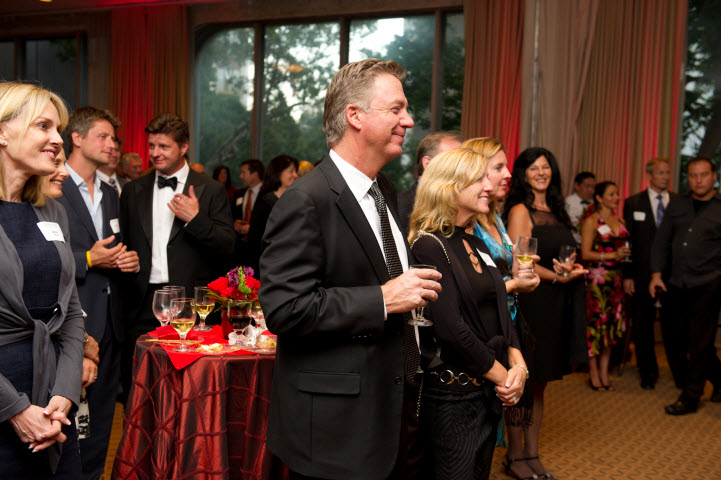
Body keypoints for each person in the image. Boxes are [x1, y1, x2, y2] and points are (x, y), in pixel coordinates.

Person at [259, 58, 442, 480]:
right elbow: (285, 309)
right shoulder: (306, 200)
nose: (409, 121)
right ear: (355, 116)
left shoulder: (383, 190)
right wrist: (383, 299)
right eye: (396, 109)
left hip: (391, 410)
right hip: (336, 430)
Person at [408, 147, 529, 479]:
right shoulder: (429, 246)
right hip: (452, 398)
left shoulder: (476, 244)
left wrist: (519, 366)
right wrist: (504, 377)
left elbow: (501, 310)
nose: (489, 186)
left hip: (485, 392)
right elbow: (449, 327)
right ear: (449, 187)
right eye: (479, 180)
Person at [0, 81, 85, 478]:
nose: (57, 139)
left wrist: (65, 393)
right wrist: (15, 409)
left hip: (54, 404)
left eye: (58, 129)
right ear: (2, 132)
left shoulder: (52, 212)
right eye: (43, 126)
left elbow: (70, 312)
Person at [119, 113, 235, 399]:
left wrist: (196, 220)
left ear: (183, 147)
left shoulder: (211, 190)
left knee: (189, 391)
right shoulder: (133, 190)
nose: (155, 153)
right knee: (141, 389)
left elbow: (229, 247)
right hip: (143, 303)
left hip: (191, 306)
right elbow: (126, 241)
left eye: (164, 146)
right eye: (152, 146)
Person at [56, 106, 139, 480]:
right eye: (103, 137)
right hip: (69, 324)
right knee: (66, 422)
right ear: (76, 138)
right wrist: (89, 258)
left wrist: (127, 260)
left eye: (113, 138)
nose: (112, 145)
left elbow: (114, 248)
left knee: (101, 422)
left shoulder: (110, 192)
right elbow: (43, 258)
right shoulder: (51, 186)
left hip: (110, 324)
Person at [503, 147, 587, 480]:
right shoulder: (520, 210)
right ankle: (514, 455)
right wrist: (558, 276)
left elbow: (557, 255)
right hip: (530, 303)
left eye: (546, 167)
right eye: (534, 168)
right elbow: (520, 263)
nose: (541, 172)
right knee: (522, 382)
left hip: (555, 304)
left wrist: (567, 269)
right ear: (523, 174)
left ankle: (532, 453)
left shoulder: (557, 209)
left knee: (540, 385)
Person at [462, 137, 541, 477]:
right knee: (475, 429)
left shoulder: (494, 216)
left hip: (507, 323)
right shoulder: (467, 221)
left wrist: (521, 274)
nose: (508, 174)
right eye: (498, 167)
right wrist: (513, 284)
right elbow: (466, 290)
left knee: (499, 411)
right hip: (483, 329)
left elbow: (500, 271)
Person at [651, 157, 721, 415]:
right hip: (677, 282)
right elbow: (661, 241)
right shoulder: (677, 203)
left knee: (700, 341)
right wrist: (656, 274)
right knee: (682, 339)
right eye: (693, 175)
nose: (698, 180)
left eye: (703, 175)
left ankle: (691, 397)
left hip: (708, 283)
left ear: (714, 176)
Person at [622, 158, 677, 390]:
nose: (665, 176)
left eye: (668, 172)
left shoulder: (678, 202)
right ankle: (647, 373)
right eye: (661, 172)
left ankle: (679, 372)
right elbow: (627, 241)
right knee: (643, 326)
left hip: (673, 275)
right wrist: (627, 275)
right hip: (641, 274)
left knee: (673, 326)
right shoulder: (634, 202)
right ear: (650, 175)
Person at [580, 181, 630, 391]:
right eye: (611, 194)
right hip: (597, 281)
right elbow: (585, 253)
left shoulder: (620, 220)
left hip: (616, 281)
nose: (616, 197)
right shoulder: (591, 221)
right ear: (599, 198)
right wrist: (611, 255)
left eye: (617, 194)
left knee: (609, 327)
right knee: (595, 327)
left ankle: (604, 372)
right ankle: (593, 373)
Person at [397, 131, 463, 234]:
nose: (462, 169)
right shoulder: (401, 207)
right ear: (428, 164)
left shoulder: (459, 204)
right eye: (453, 161)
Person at [246, 154, 298, 274]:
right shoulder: (266, 201)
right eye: (291, 171)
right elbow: (256, 239)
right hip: (270, 267)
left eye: (296, 171)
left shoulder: (294, 198)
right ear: (278, 173)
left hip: (291, 265)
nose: (295, 175)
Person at [565, 171, 596, 246]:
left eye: (593, 187)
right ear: (576, 185)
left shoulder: (595, 204)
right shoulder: (568, 203)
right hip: (572, 244)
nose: (590, 190)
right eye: (587, 186)